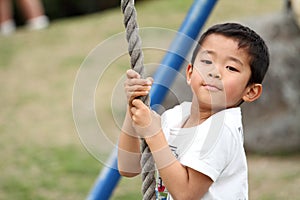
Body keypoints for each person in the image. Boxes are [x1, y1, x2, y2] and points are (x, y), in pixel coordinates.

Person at [118, 22, 270, 199]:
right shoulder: (175, 117)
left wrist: (154, 134)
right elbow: (128, 167)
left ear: (251, 91)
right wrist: (133, 108)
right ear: (190, 73)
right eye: (207, 61)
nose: (215, 72)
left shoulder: (222, 129)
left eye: (231, 68)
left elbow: (186, 194)